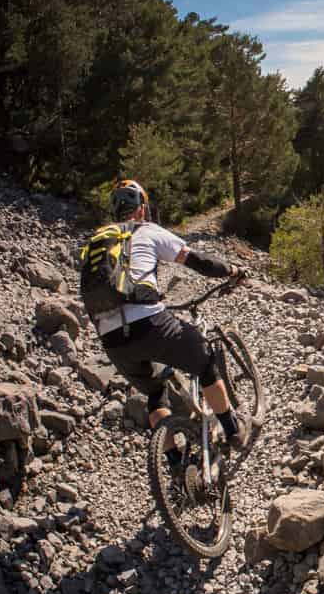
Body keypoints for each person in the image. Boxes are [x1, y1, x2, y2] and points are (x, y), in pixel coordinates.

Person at [90, 180, 249, 447]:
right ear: (141, 208)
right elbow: (198, 261)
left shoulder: (100, 241)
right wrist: (232, 271)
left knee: (155, 394)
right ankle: (233, 429)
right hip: (149, 323)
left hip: (111, 338)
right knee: (206, 361)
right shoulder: (147, 230)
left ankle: (175, 469)